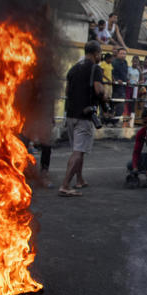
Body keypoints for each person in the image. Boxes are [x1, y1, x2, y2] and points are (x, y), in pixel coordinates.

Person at [58, 41, 106, 197]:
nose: (100, 56)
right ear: (96, 53)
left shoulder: (73, 69)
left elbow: (67, 91)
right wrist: (105, 96)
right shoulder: (95, 69)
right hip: (84, 117)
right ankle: (65, 185)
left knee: (78, 150)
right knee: (78, 152)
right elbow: (98, 89)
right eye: (100, 53)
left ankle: (79, 179)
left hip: (71, 114)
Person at [111, 47, 130, 119]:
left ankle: (115, 121)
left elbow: (125, 74)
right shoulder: (114, 62)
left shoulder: (125, 63)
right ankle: (107, 121)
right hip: (114, 87)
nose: (123, 55)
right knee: (112, 104)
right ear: (117, 54)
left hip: (122, 87)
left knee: (121, 106)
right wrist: (116, 79)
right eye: (121, 53)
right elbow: (111, 73)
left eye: (124, 54)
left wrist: (127, 80)